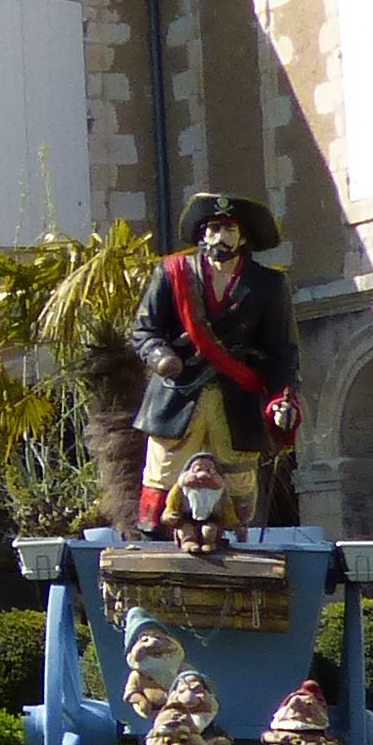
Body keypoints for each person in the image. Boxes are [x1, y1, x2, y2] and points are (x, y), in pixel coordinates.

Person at [129, 190, 299, 536]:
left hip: (236, 398)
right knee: (163, 475)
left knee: (237, 482)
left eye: (230, 230)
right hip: (178, 396)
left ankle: (229, 542)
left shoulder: (268, 284)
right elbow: (144, 330)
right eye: (213, 229)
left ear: (243, 237)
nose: (221, 237)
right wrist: (161, 356)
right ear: (202, 234)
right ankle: (160, 544)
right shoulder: (172, 273)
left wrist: (283, 398)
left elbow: (283, 352)